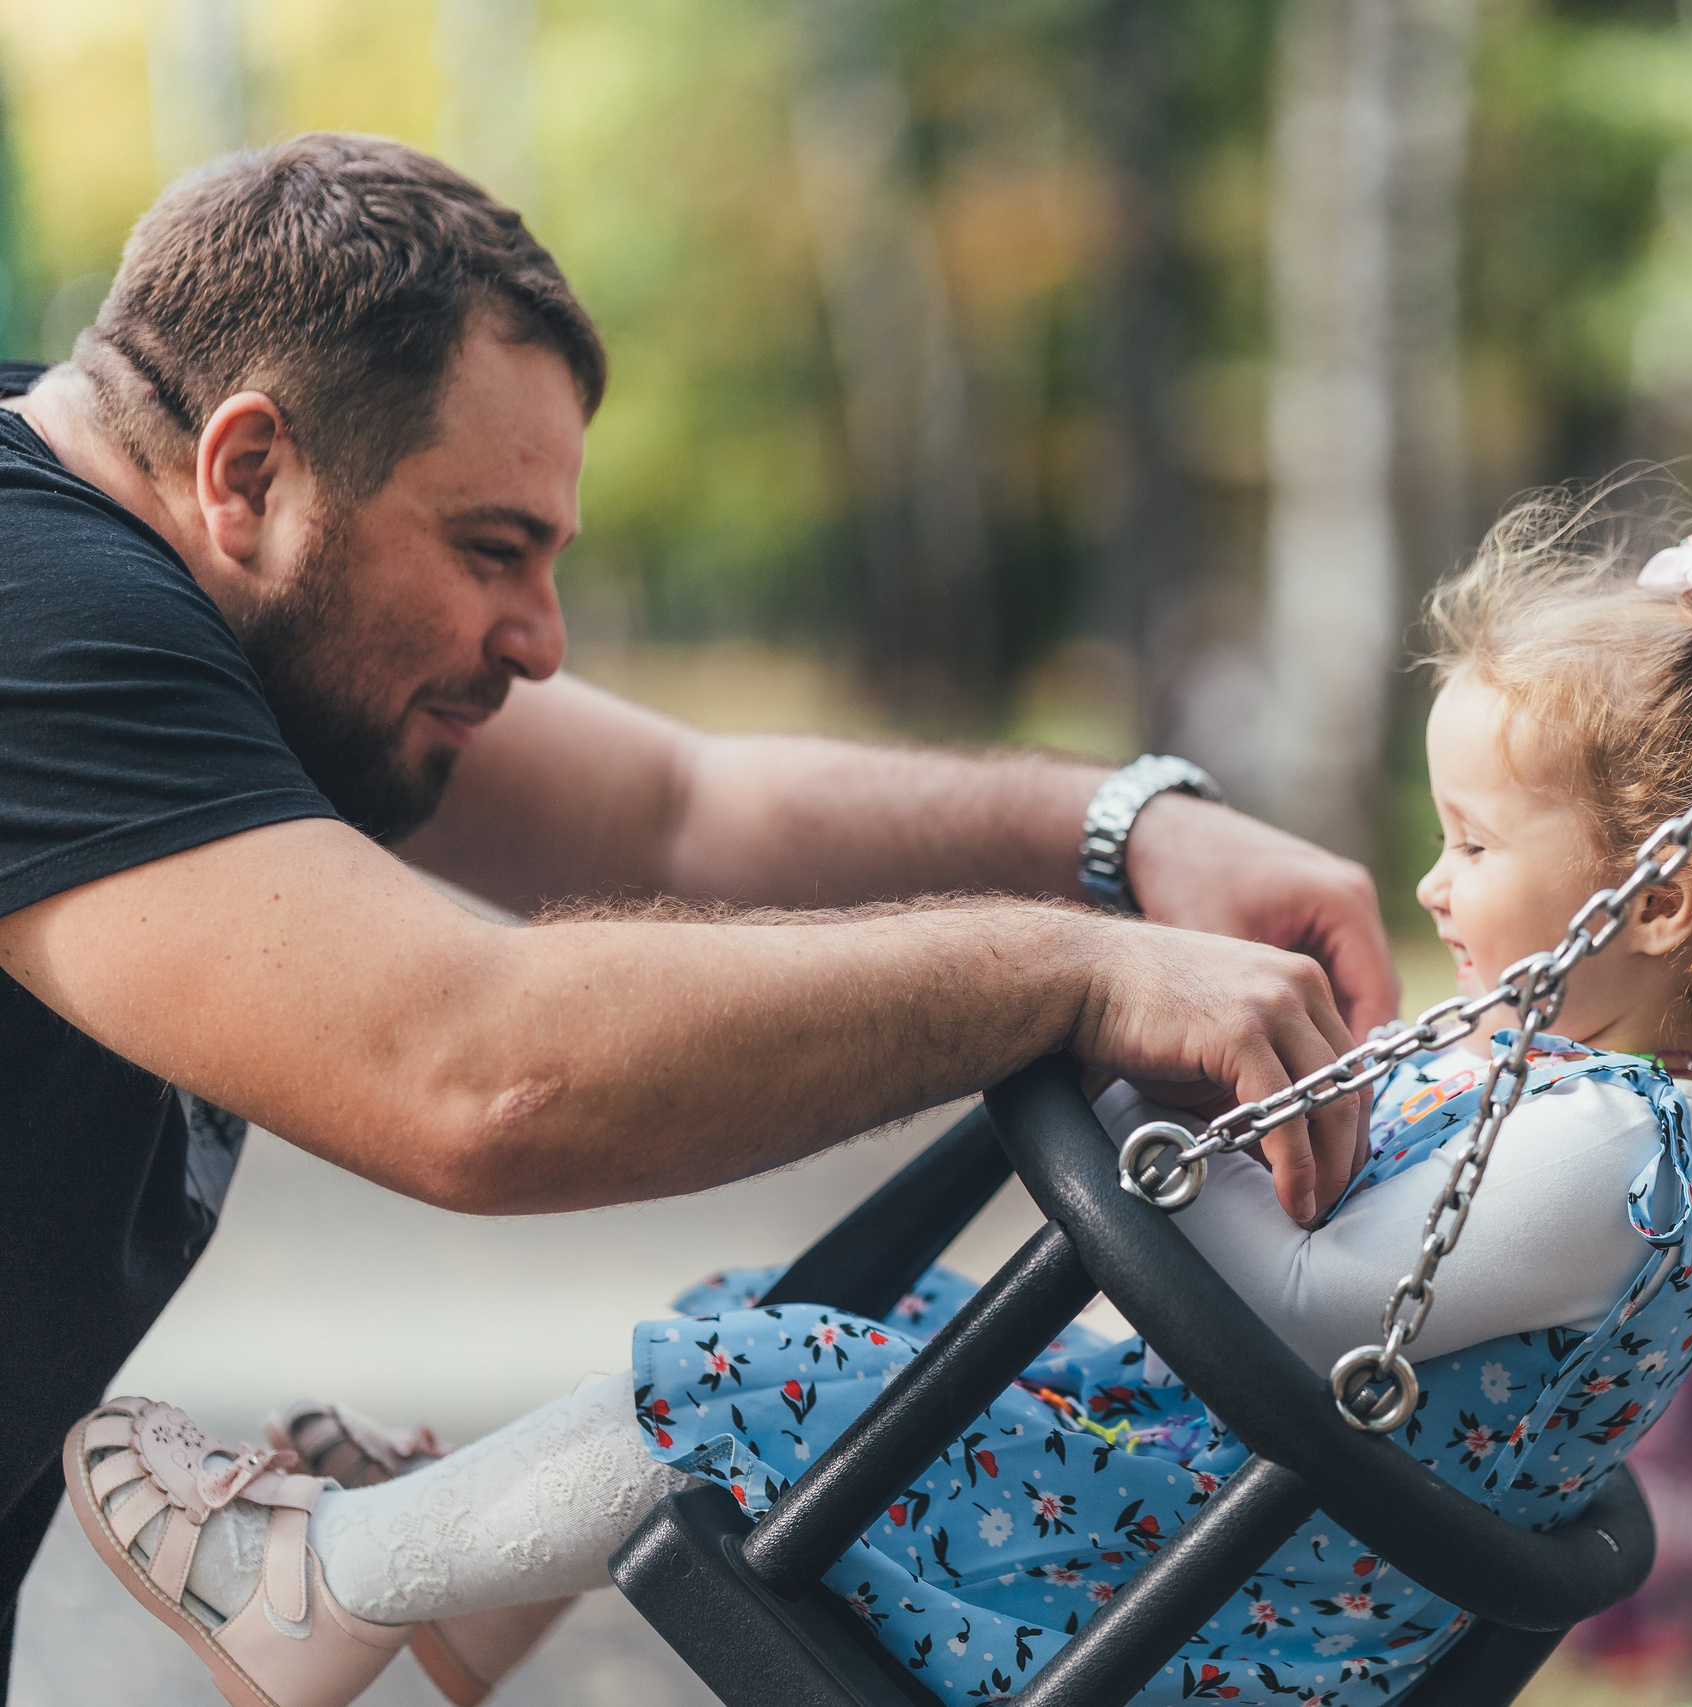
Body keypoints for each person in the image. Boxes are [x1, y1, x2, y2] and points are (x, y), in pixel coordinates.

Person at [64, 495, 1692, 1706]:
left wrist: (1139, 1129)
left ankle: (330, 1583)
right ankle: (465, 1592)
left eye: (1478, 843)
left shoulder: (1616, 1151)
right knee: (766, 1335)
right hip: (1224, 1519)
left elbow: (1316, 1323)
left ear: (1656, 899)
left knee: (757, 1383)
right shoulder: (1556, 1084)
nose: (1432, 882)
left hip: (1231, 1610)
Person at [0, 132, 1402, 1694]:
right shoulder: (39, 609)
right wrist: (1075, 974)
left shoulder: (190, 585)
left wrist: (1126, 830)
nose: (539, 643)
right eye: (491, 551)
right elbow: (471, 1072)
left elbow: (680, 813)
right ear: (248, 471)